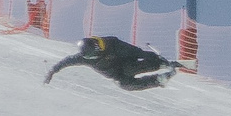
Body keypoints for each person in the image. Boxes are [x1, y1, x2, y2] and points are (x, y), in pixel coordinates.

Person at [46, 35, 178, 91]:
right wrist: (53, 70)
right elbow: (67, 61)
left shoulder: (112, 43)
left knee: (130, 68)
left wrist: (152, 57)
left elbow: (134, 51)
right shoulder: (84, 57)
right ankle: (158, 80)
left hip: (124, 64)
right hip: (116, 75)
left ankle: (159, 65)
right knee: (125, 85)